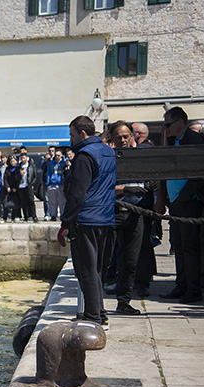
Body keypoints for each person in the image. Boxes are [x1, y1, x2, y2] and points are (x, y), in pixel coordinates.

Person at [58, 115, 116, 330]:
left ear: (82, 133)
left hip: (87, 218)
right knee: (98, 269)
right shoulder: (109, 152)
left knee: (85, 270)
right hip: (106, 218)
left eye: (72, 135)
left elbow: (77, 194)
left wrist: (66, 223)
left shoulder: (83, 156)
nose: (70, 140)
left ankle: (93, 318)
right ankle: (100, 313)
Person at [160, 106, 204, 303]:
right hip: (176, 201)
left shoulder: (194, 140)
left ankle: (194, 290)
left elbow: (203, 174)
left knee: (190, 247)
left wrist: (183, 196)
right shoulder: (172, 140)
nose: (166, 128)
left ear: (179, 123)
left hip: (188, 202)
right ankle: (182, 285)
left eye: (168, 124)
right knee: (178, 245)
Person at [108, 121, 147, 315]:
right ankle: (95, 305)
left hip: (135, 212)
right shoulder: (108, 158)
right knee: (106, 259)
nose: (123, 140)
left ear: (131, 136)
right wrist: (124, 189)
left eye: (126, 136)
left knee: (130, 261)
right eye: (119, 137)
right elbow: (101, 188)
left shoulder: (139, 155)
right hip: (114, 212)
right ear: (112, 139)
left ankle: (124, 302)